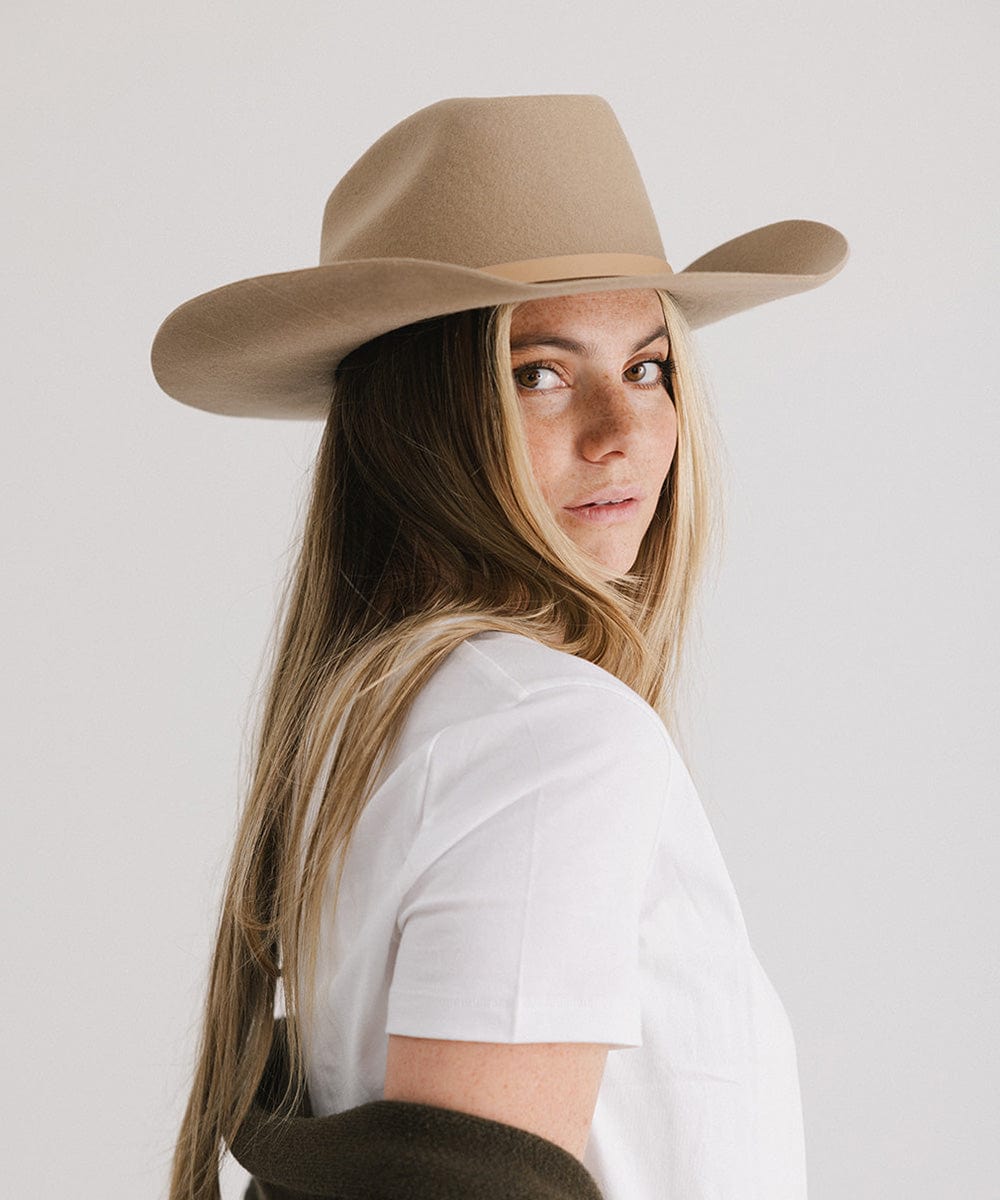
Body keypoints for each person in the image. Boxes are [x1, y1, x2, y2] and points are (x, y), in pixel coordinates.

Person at [150, 93, 849, 1200]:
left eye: (649, 366)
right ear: (418, 423)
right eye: (538, 372)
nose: (621, 432)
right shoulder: (551, 733)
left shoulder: (384, 718)